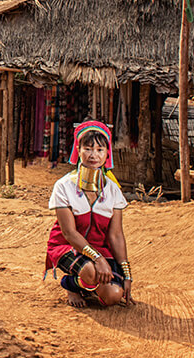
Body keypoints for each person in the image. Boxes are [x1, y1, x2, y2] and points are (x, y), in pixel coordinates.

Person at [45, 120, 134, 308]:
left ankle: (86, 285)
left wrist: (126, 274)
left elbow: (116, 235)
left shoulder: (113, 190)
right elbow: (69, 233)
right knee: (90, 272)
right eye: (88, 149)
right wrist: (98, 259)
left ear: (107, 153)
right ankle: (70, 284)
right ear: (78, 150)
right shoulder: (64, 186)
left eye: (100, 150)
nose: (94, 155)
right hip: (66, 246)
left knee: (113, 296)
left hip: (101, 249)